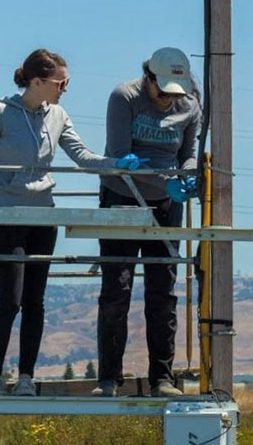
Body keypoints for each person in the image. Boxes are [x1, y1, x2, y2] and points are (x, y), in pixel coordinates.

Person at [0, 48, 114, 396]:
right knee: (9, 300)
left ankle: (26, 377)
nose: (65, 89)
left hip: (43, 217)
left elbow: (83, 157)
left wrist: (116, 164)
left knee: (35, 301)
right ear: (38, 81)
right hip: (5, 214)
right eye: (62, 82)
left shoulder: (58, 115)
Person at [93, 47, 201, 397]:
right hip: (122, 197)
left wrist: (186, 178)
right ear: (149, 78)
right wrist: (161, 178)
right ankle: (109, 378)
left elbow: (188, 154)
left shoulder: (190, 105)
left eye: (175, 92)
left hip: (167, 205)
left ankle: (162, 378)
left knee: (163, 291)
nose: (168, 98)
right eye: (162, 90)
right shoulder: (124, 97)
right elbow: (121, 156)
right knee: (117, 289)